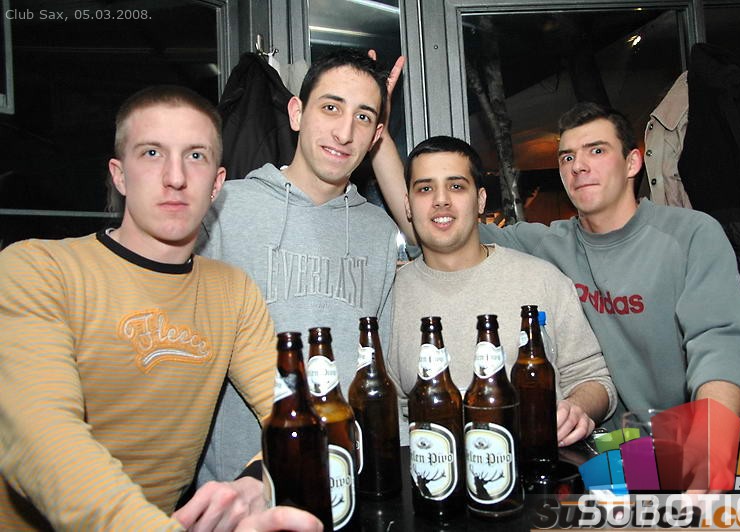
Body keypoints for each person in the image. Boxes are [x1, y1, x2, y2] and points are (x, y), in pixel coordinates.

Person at [0, 85, 321, 531]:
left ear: (217, 183)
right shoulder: (35, 269)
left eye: (195, 156)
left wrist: (258, 479)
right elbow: (42, 440)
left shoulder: (232, 292)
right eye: (152, 153)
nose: (175, 177)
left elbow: (297, 413)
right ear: (119, 175)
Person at [477, 103, 740, 467]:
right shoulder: (551, 245)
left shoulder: (690, 234)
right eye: (567, 157)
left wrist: (709, 448)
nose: (578, 165)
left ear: (632, 163)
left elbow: (723, 344)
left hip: (719, 449)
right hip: (624, 455)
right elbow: (449, 231)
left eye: (596, 151)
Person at [196, 48, 401, 484]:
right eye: (331, 108)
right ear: (296, 113)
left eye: (363, 117)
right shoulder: (225, 208)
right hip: (239, 487)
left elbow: (375, 371)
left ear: (376, 136)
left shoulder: (380, 232)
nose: (344, 132)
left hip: (347, 479)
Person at [387, 135, 617, 446]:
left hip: (537, 467)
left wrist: (577, 409)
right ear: (408, 205)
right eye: (425, 189)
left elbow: (594, 378)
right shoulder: (390, 298)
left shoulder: (542, 280)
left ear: (480, 200)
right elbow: (392, 408)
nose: (441, 200)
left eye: (456, 186)